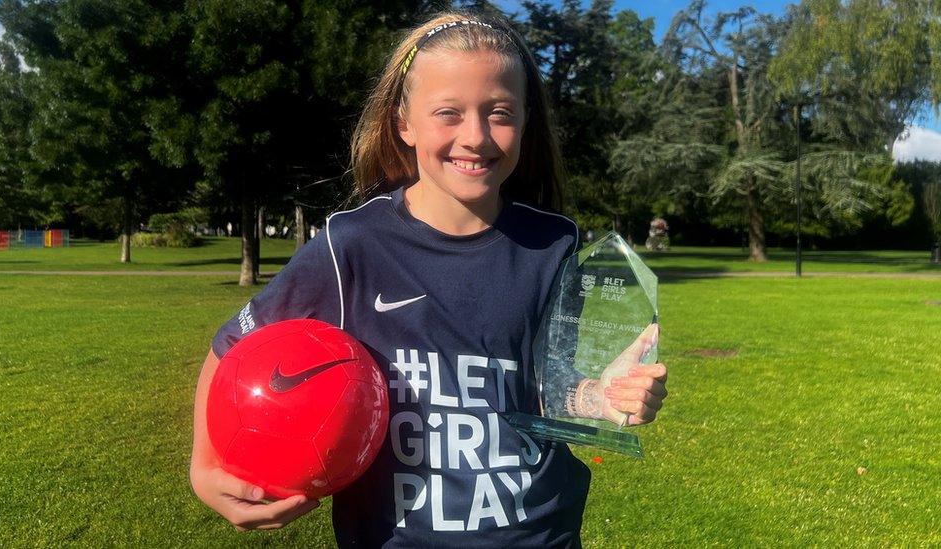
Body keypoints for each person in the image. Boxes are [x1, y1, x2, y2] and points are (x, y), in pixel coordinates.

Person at [190, 12, 668, 547]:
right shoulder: (352, 244)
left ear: (526, 122)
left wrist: (600, 399)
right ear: (404, 124)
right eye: (449, 113)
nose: (476, 136)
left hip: (538, 535)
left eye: (500, 113)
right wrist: (205, 467)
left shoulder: (553, 245)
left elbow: (548, 392)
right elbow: (233, 346)